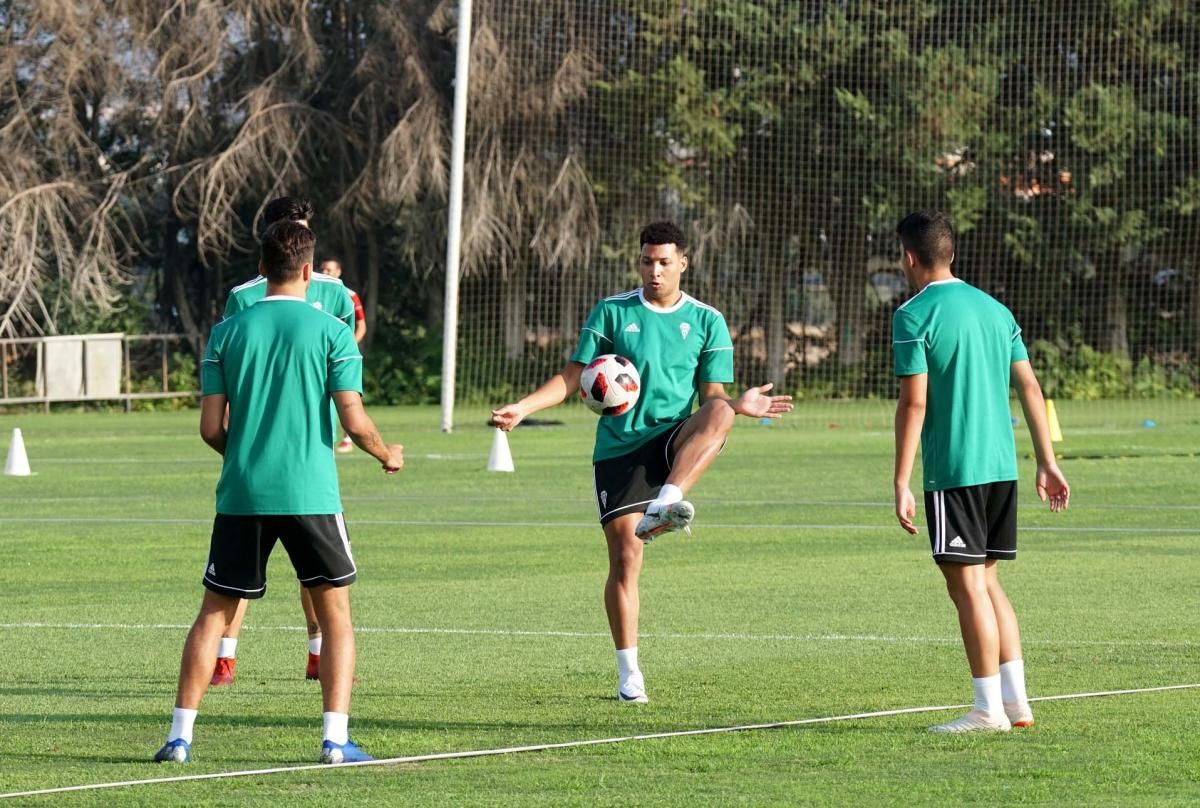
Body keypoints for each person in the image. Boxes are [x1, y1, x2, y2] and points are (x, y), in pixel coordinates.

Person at [491, 221, 792, 704]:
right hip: (621, 449)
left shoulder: (707, 320)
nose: (655, 271)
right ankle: (629, 670)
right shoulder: (612, 312)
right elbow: (573, 376)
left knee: (718, 408)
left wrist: (740, 405)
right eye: (648, 261)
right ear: (639, 262)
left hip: (673, 439)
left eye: (664, 262)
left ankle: (668, 501)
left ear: (683, 264)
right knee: (626, 558)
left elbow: (713, 399)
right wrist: (523, 408)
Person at [154, 221, 404, 765]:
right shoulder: (332, 331)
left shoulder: (227, 332)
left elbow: (209, 427)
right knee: (334, 613)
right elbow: (354, 419)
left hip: (243, 492)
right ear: (311, 272)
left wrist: (249, 457)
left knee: (214, 613)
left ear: (262, 267)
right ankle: (335, 740)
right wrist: (386, 453)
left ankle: (180, 737)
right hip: (311, 493)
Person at [891, 209, 1070, 733]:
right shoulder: (995, 309)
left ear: (908, 257)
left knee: (966, 588)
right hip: (1000, 469)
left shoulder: (913, 314)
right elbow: (1031, 388)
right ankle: (1017, 704)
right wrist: (1047, 460)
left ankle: (985, 709)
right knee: (988, 583)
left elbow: (914, 405)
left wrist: (901, 480)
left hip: (954, 470)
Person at [212, 198, 359, 686]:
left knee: (307, 577)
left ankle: (318, 654)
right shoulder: (243, 297)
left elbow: (344, 352)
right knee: (236, 586)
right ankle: (225, 657)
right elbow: (233, 384)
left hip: (294, 458)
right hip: (280, 466)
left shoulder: (335, 292)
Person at [317, 258, 367, 453]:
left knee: (347, 393)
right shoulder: (311, 291)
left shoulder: (349, 295)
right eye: (323, 269)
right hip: (322, 356)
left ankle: (349, 437)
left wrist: (347, 348)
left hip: (342, 355)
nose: (326, 272)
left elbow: (361, 324)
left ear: (339, 272)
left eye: (330, 270)